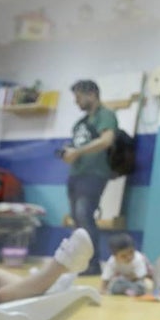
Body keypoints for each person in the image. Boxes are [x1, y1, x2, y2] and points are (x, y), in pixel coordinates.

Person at [61, 80, 118, 275]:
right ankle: (81, 262)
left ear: (92, 94)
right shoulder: (81, 123)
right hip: (76, 173)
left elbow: (106, 140)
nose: (76, 102)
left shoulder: (105, 115)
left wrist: (77, 152)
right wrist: (69, 153)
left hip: (94, 173)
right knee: (77, 220)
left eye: (78, 97)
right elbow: (76, 147)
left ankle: (92, 264)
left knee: (85, 216)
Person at [100, 232, 160, 296]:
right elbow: (106, 277)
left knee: (141, 286)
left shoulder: (138, 259)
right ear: (115, 256)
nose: (129, 257)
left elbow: (142, 276)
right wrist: (103, 289)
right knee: (115, 287)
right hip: (125, 278)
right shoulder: (112, 261)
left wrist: (134, 278)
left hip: (142, 275)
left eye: (131, 252)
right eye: (124, 256)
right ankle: (128, 290)